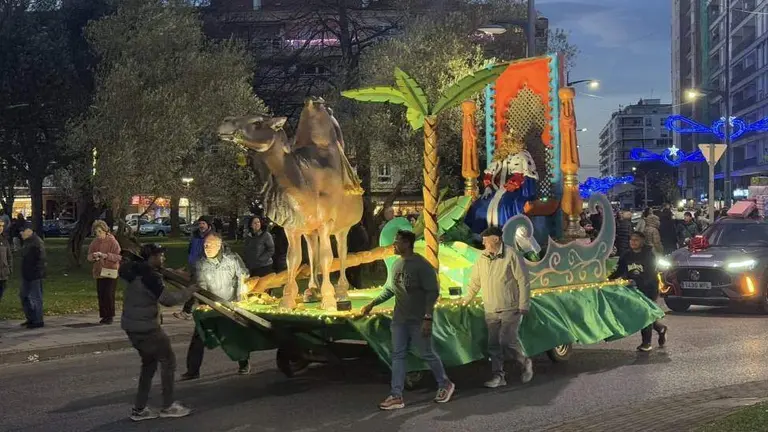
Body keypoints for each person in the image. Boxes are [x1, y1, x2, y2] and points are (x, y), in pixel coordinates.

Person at [361, 230, 455, 410]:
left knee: (427, 353)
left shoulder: (422, 265)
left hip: (418, 319)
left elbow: (432, 292)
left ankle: (445, 384)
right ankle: (396, 395)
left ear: (407, 244)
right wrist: (372, 303)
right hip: (400, 320)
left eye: (397, 242)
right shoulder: (396, 264)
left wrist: (427, 317)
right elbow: (390, 289)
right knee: (397, 355)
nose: (394, 245)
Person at [121, 243, 198, 421]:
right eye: (160, 256)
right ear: (151, 257)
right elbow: (168, 300)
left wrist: (171, 272)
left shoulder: (136, 271)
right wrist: (188, 291)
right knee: (168, 361)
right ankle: (168, 406)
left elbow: (158, 273)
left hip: (131, 326)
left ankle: (139, 410)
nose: (163, 258)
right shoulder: (151, 277)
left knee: (149, 364)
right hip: (147, 328)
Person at [463, 226, 533, 387]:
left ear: (495, 239)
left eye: (485, 240)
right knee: (493, 344)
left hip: (510, 307)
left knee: (507, 341)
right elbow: (475, 282)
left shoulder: (511, 255)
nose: (483, 242)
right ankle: (499, 376)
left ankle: (525, 362)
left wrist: (524, 304)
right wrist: (466, 299)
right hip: (491, 308)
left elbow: (523, 280)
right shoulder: (482, 258)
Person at [181, 232, 250, 380]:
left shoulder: (232, 260)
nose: (206, 247)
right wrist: (206, 302)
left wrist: (239, 297)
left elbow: (243, 275)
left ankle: (243, 363)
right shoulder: (200, 263)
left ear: (219, 246)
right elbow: (201, 284)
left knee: (234, 336)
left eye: (210, 245)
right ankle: (193, 371)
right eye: (205, 244)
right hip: (210, 306)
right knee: (198, 337)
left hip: (231, 305)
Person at [609, 232, 667, 352]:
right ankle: (660, 328)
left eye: (636, 240)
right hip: (633, 288)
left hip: (649, 288)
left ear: (642, 242)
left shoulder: (649, 255)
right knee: (642, 314)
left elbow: (650, 273)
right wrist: (608, 279)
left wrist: (638, 281)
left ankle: (646, 343)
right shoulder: (626, 255)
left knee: (645, 313)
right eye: (631, 240)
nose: (633, 242)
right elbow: (620, 270)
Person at [174, 216, 213, 320]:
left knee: (193, 288)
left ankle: (187, 311)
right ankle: (204, 311)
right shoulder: (195, 236)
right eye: (200, 223)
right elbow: (191, 250)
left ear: (208, 225)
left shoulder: (212, 237)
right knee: (199, 290)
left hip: (204, 268)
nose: (201, 226)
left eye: (203, 223)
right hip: (193, 265)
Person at [86, 220, 122, 324]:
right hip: (99, 271)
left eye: (100, 231)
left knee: (109, 294)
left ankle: (110, 315)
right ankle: (104, 315)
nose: (98, 234)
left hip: (110, 271)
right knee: (101, 294)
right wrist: (93, 257)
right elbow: (89, 256)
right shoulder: (95, 242)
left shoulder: (112, 242)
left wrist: (105, 255)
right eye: (96, 232)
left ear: (105, 231)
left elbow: (118, 256)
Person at [20, 222, 46, 328]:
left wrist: (36, 272)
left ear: (29, 231)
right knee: (24, 296)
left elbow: (40, 260)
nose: (21, 233)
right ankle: (31, 318)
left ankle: (38, 320)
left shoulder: (36, 242)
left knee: (35, 297)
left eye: (23, 231)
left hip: (34, 275)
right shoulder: (27, 242)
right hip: (27, 274)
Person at [0, 218, 11, 304]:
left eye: (2, 226)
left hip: (3, 273)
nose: (1, 228)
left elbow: (9, 256)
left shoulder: (4, 240)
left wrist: (10, 269)